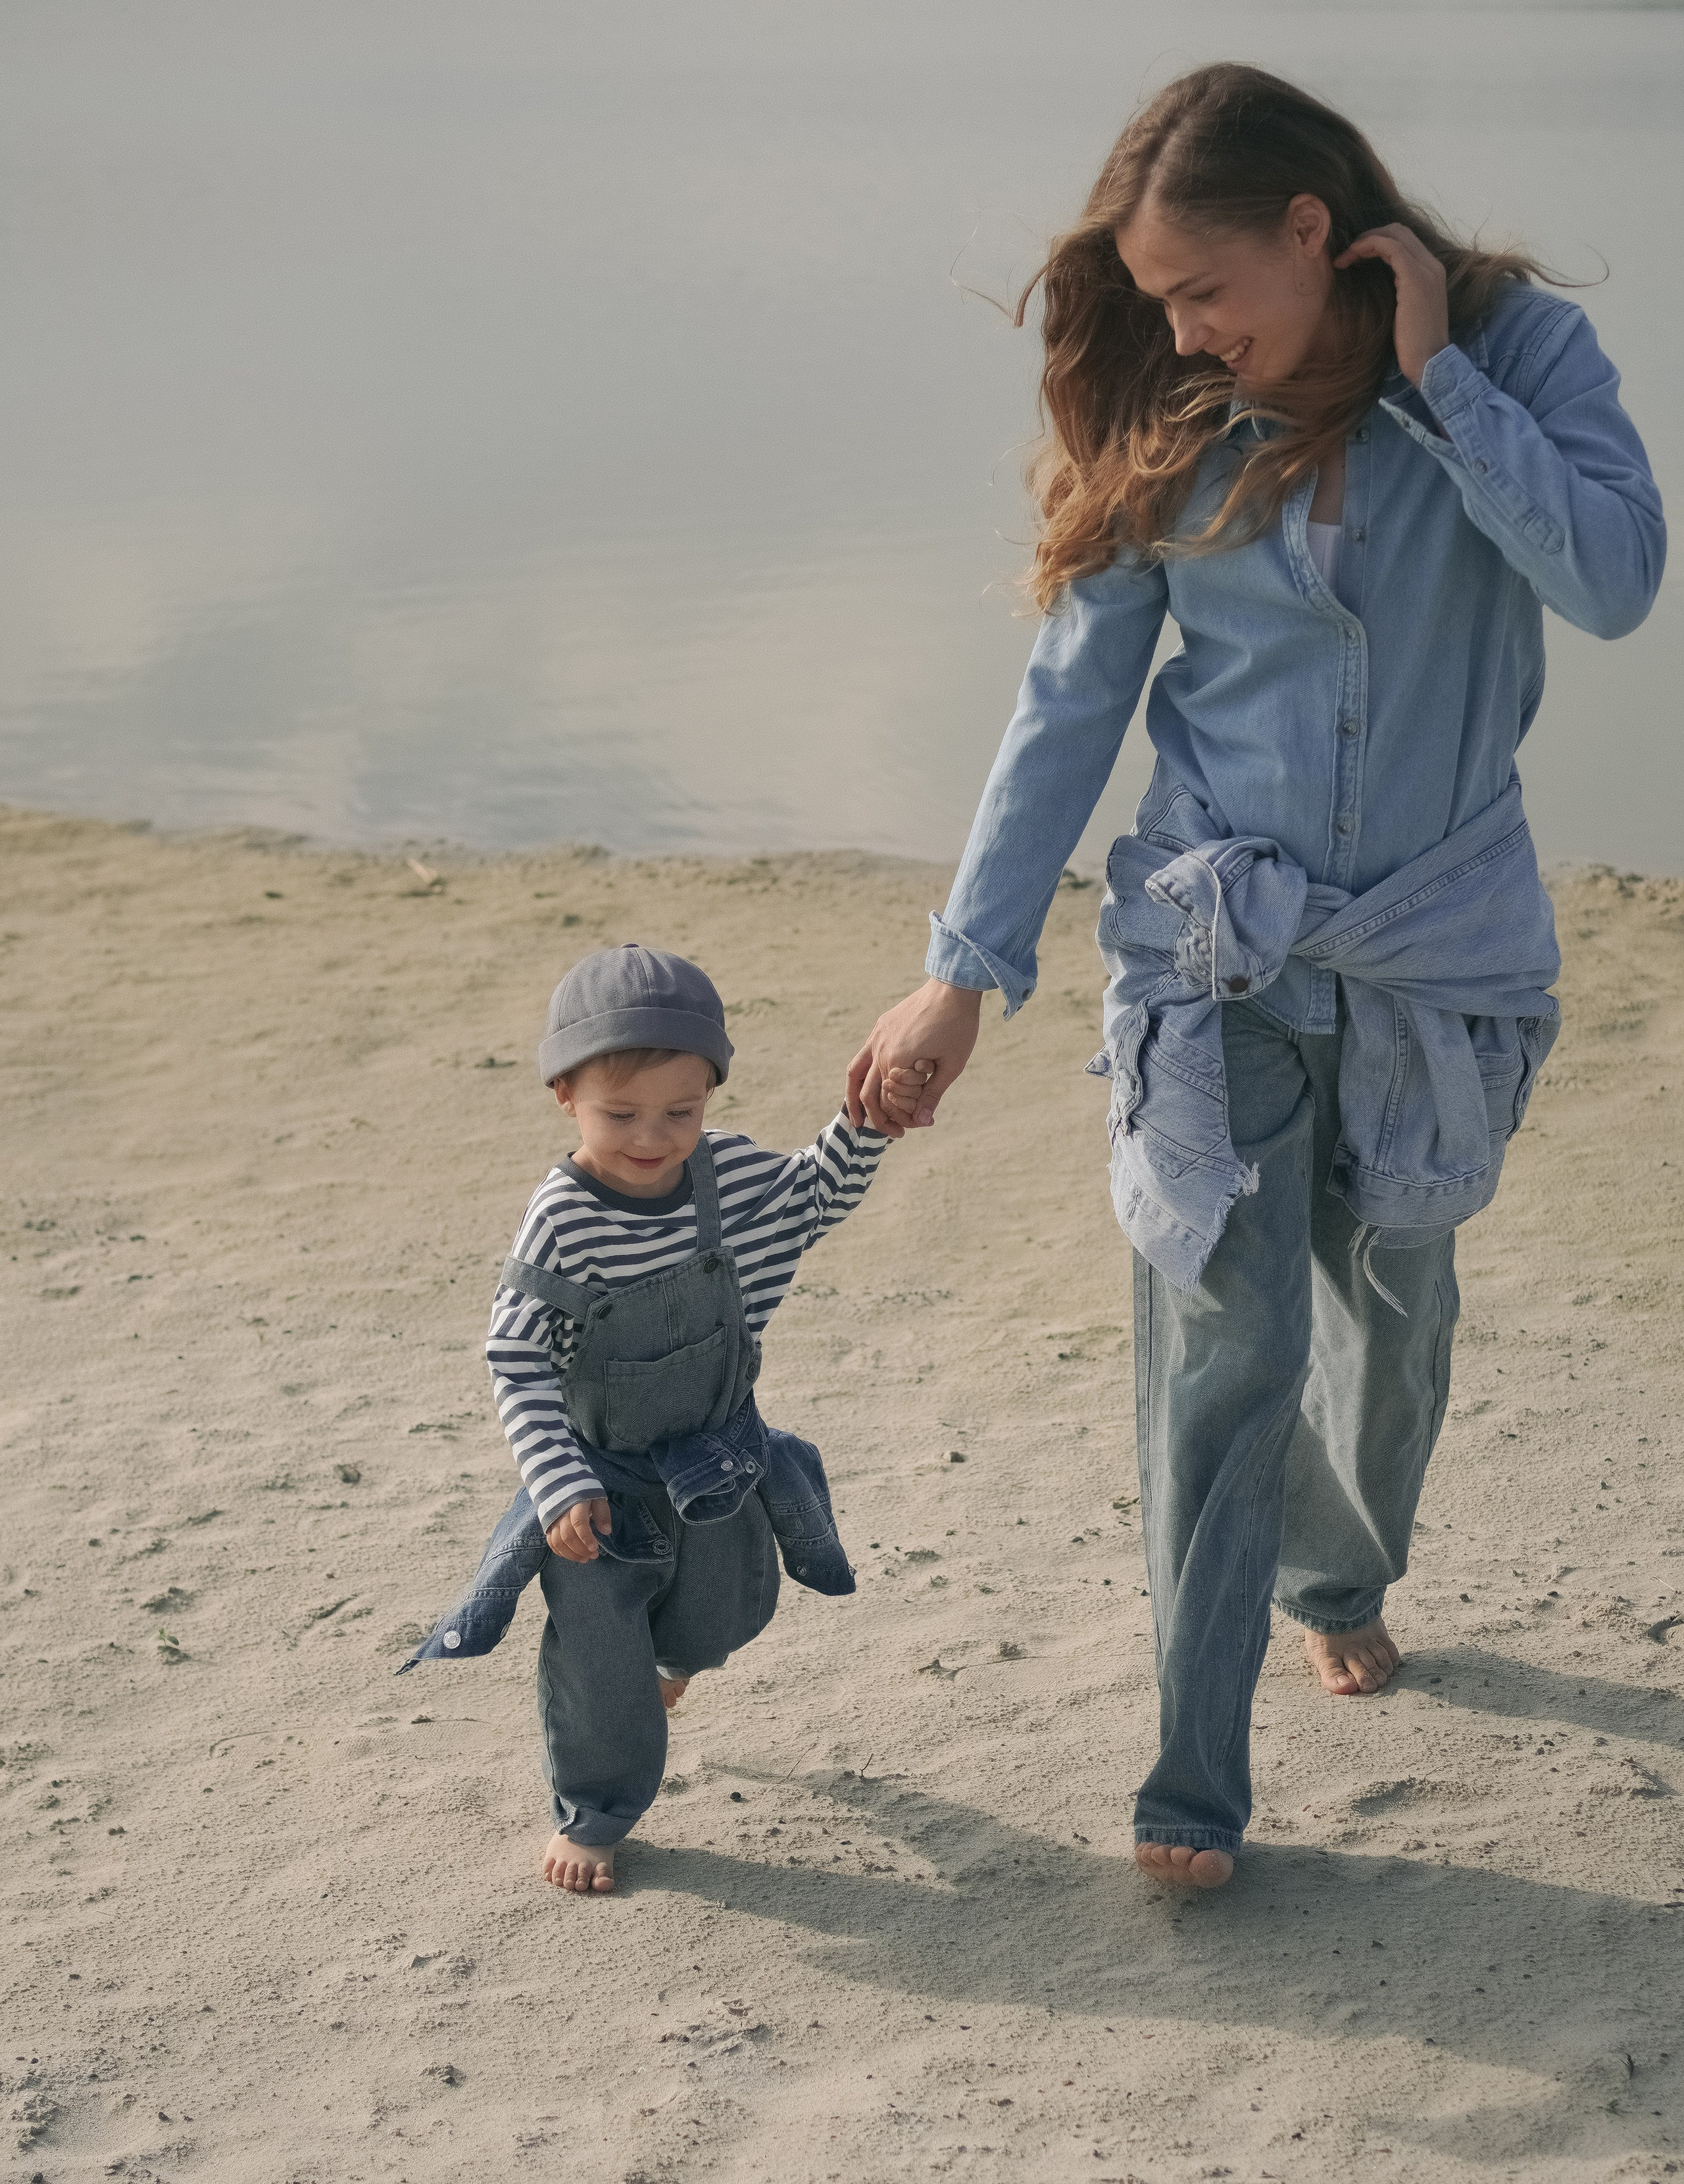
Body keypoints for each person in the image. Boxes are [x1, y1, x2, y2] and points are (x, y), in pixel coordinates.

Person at [846, 63, 1664, 1890]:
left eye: (1204, 287)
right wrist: (962, 973)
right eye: (1155, 305)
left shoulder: (1517, 354)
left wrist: (1440, 375)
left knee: (1396, 1329)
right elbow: (1072, 707)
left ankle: (1342, 1569)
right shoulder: (1176, 414)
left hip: (1439, 954)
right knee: (1224, 1349)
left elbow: (1614, 581)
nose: (1185, 329)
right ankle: (1190, 1784)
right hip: (1210, 949)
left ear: (1314, 229)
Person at [453, 944, 899, 1893]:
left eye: (682, 1112)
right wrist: (558, 1480)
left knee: (719, 1620)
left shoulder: (725, 1176)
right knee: (602, 1659)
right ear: (564, 1092)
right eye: (621, 1114)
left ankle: (677, 1659)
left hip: (717, 1466)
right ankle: (596, 1810)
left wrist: (867, 1121)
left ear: (710, 1094)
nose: (654, 1136)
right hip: (600, 1495)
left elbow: (814, 1197)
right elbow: (517, 1355)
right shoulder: (563, 1220)